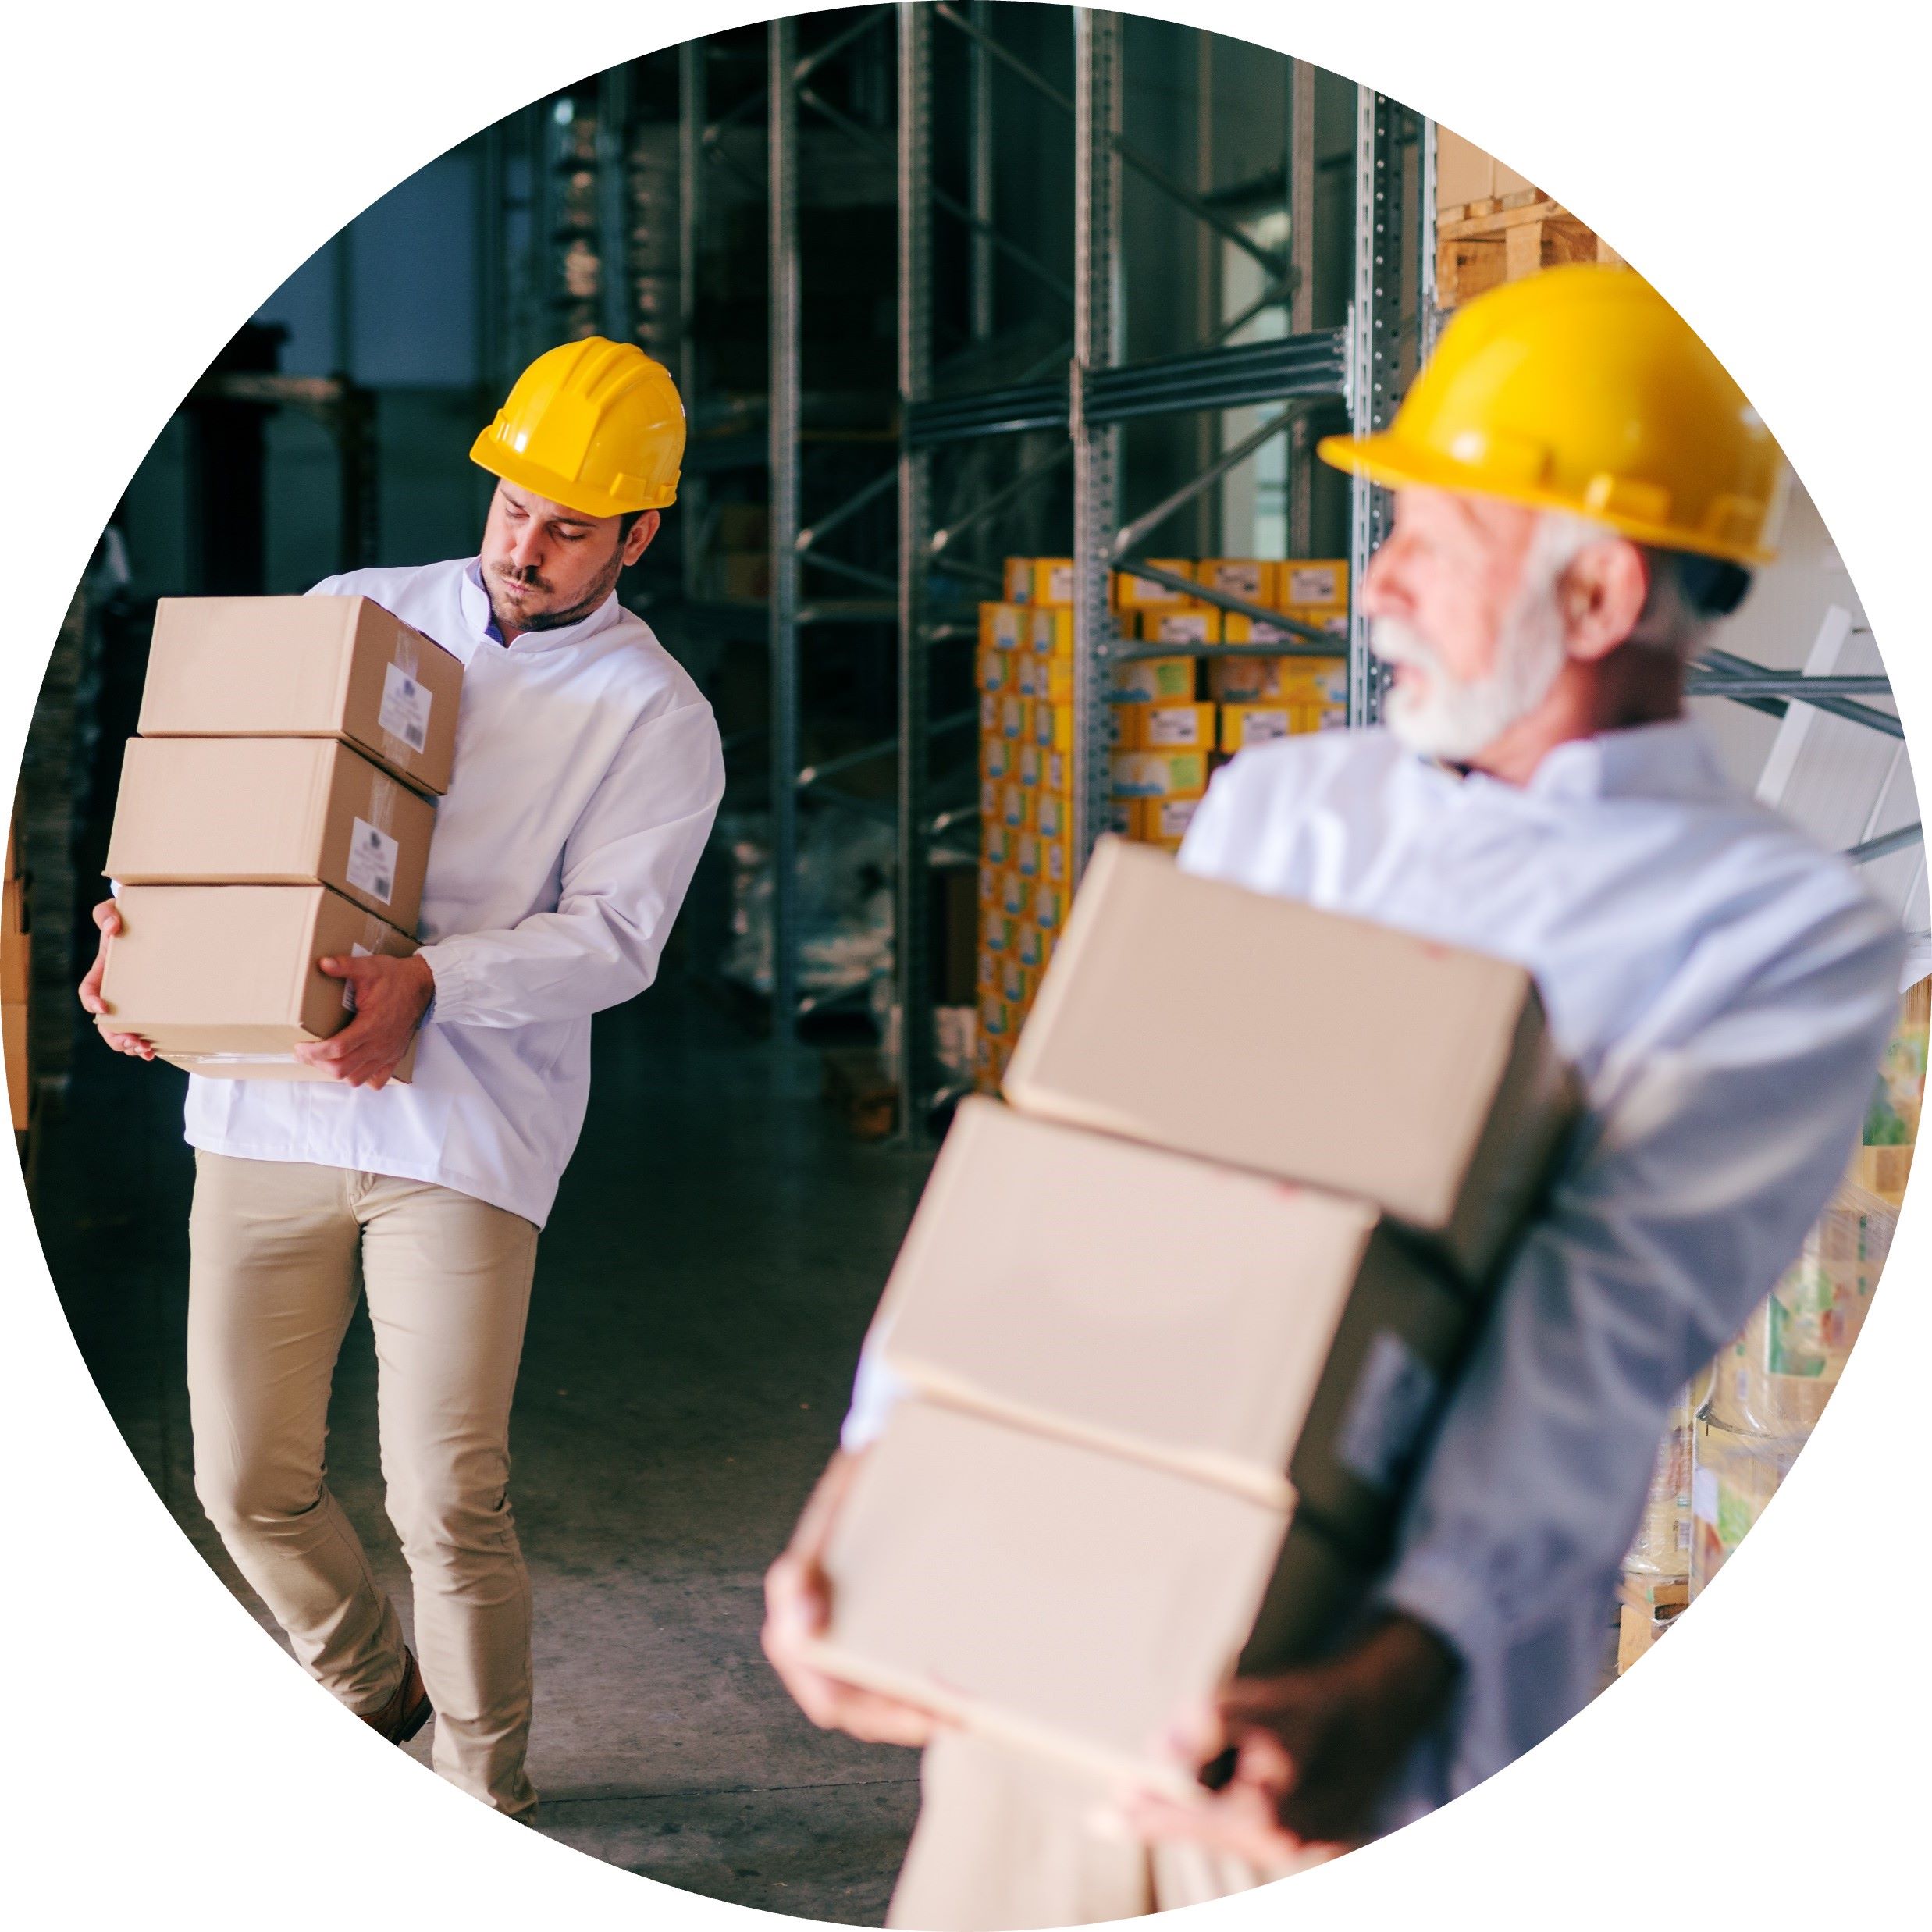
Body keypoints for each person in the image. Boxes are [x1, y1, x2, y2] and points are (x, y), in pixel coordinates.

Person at [761, 265, 1905, 1924]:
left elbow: (1583, 1339)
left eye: (1433, 539)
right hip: (1038, 1630)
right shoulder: (1288, 808)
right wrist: (872, 1480)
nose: (1375, 583)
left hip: (1362, 1740)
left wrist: (1390, 1665)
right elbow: (1083, 1172)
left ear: (1592, 594)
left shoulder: (1771, 931)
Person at [80, 337, 725, 1823]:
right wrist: (148, 936)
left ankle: (480, 1803)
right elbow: (221, 794)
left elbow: (617, 940)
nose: (527, 545)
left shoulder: (653, 715)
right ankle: (372, 1691)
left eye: (572, 527)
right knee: (244, 1479)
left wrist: (431, 982)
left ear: (640, 533)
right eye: (513, 506)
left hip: (463, 1131)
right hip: (265, 1106)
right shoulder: (354, 614)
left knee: (446, 1496)